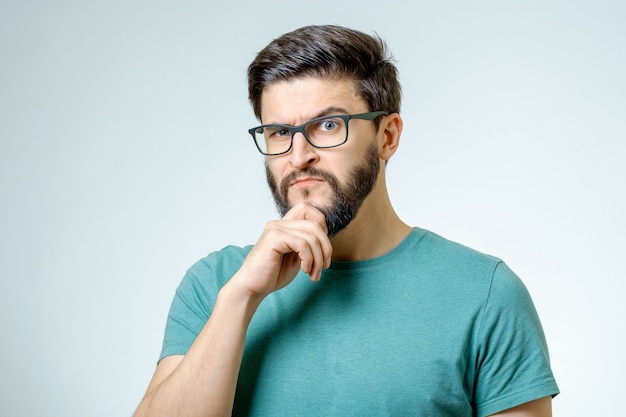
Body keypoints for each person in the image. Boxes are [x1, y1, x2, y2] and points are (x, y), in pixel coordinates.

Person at [134, 25, 559, 417]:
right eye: (279, 132)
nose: (299, 156)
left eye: (328, 125)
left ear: (387, 136)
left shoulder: (484, 294)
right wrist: (241, 299)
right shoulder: (217, 283)